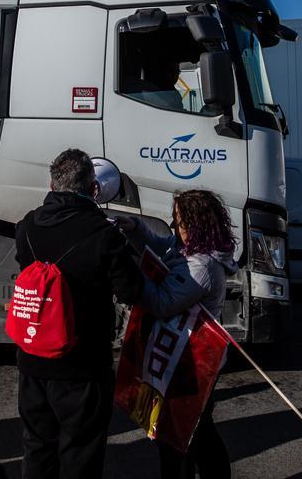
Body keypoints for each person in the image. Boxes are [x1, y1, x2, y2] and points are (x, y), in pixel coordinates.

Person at [14, 149, 144, 478]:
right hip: (82, 365)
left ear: (52, 183)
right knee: (80, 454)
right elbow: (133, 291)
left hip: (32, 360)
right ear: (94, 189)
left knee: (37, 450)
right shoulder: (103, 233)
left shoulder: (27, 225)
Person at [116, 189, 238, 479]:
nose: (174, 227)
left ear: (197, 226)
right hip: (178, 354)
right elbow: (162, 245)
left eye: (179, 222)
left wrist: (128, 279)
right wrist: (136, 230)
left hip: (191, 362)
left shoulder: (203, 266)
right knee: (194, 428)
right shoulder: (191, 248)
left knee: (180, 432)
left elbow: (162, 302)